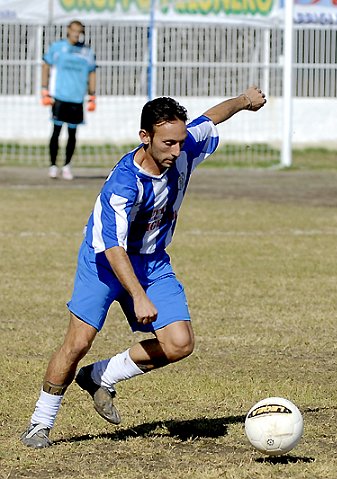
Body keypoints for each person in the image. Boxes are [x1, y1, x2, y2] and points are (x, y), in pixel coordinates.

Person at [21, 87, 267, 448]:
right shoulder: (123, 184)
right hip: (105, 261)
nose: (177, 151)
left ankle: (101, 376)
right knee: (78, 342)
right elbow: (113, 246)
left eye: (180, 142)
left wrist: (245, 102)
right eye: (168, 143)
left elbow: (212, 117)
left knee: (180, 343)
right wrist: (137, 295)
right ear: (145, 137)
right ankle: (40, 422)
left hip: (152, 261)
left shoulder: (184, 147)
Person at [41, 20, 97, 180]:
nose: (76, 34)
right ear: (68, 30)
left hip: (77, 99)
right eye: (74, 30)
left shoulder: (86, 52)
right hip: (59, 97)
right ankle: (53, 165)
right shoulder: (57, 48)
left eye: (79, 31)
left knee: (72, 134)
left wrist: (92, 96)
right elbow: (46, 66)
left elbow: (92, 73)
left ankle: (66, 166)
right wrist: (44, 90)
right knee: (56, 131)